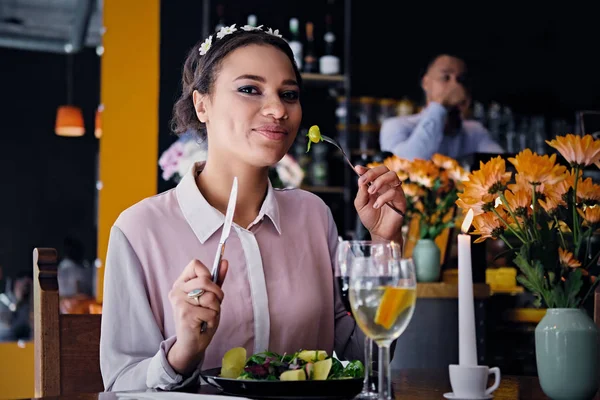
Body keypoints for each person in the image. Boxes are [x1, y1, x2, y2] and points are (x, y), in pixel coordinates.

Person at [99, 25, 407, 391]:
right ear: (202, 104)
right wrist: (184, 352)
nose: (278, 109)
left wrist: (385, 242)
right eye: (249, 89)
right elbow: (120, 386)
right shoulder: (139, 230)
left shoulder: (313, 215)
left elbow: (361, 361)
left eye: (289, 94)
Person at [379, 54, 504, 160]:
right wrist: (440, 106)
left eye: (460, 79)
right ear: (426, 83)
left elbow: (503, 167)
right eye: (446, 77)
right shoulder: (396, 126)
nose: (455, 85)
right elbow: (407, 164)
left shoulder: (474, 131)